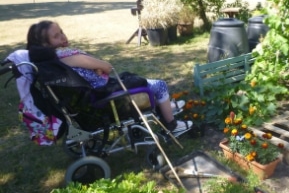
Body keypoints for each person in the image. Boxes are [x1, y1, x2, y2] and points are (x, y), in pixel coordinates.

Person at [25, 20, 192, 134]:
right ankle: (172, 125)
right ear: (45, 44)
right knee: (159, 85)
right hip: (106, 96)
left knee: (141, 81)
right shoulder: (66, 55)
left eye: (61, 32)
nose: (63, 37)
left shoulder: (52, 62)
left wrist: (97, 68)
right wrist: (101, 66)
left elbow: (91, 69)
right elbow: (106, 66)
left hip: (95, 93)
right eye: (56, 36)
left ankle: (167, 107)